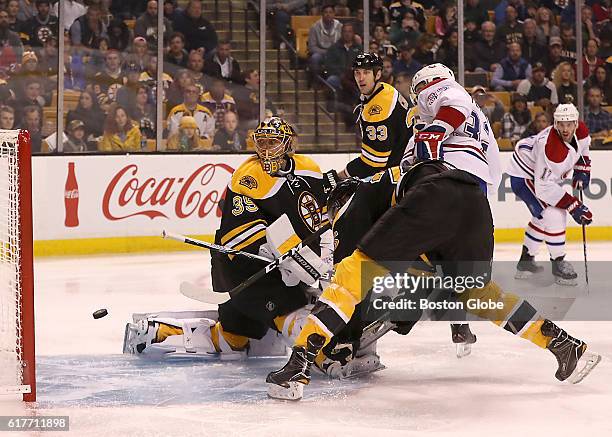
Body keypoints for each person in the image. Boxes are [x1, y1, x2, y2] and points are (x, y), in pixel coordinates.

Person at [267, 159, 600, 400]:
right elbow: (420, 259)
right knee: (481, 295)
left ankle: (297, 364)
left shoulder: (359, 198)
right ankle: (562, 343)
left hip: (432, 197)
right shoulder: (394, 185)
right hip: (475, 204)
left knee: (349, 276)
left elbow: (352, 277)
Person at [125, 117, 330, 363]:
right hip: (240, 266)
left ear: (287, 145)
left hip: (280, 265)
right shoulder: (248, 177)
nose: (265, 150)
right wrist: (282, 258)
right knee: (290, 313)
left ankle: (161, 331)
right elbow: (241, 235)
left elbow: (319, 217)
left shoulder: (309, 168)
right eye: (261, 142)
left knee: (233, 340)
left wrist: (320, 256)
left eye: (273, 142)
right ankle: (324, 354)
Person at [507, 104, 592, 285]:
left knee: (542, 217)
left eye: (569, 124)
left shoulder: (582, 130)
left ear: (576, 123)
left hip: (537, 173)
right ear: (555, 123)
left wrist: (582, 171)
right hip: (524, 175)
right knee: (554, 215)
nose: (565, 129)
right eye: (561, 124)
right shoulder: (551, 149)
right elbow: (543, 187)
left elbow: (583, 149)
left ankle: (526, 262)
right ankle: (558, 263)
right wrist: (573, 205)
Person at [404, 63, 501, 195]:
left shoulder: (442, 89)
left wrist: (434, 132)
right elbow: (495, 166)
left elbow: (454, 103)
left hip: (451, 168)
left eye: (420, 88)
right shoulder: (481, 118)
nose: (420, 94)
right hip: (479, 177)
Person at [330, 53, 412, 181]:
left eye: (366, 72)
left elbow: (374, 163)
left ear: (378, 74)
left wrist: (337, 177)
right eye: (357, 73)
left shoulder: (379, 107)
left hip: (398, 173)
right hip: (401, 165)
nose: (361, 78)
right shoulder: (384, 90)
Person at [322, 23, 362, 93]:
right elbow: (329, 65)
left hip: (354, 77)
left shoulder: (359, 48)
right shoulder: (334, 48)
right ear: (341, 33)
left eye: (349, 31)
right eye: (345, 31)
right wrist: (341, 75)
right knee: (331, 80)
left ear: (353, 33)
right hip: (339, 76)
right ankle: (338, 101)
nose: (347, 34)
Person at [307, 4, 342, 80]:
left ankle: (338, 82)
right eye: (326, 12)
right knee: (315, 58)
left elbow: (342, 43)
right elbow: (312, 47)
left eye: (330, 12)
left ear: (334, 14)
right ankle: (316, 81)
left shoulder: (340, 26)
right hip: (321, 53)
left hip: (336, 53)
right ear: (322, 14)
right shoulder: (314, 27)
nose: (328, 14)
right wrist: (326, 52)